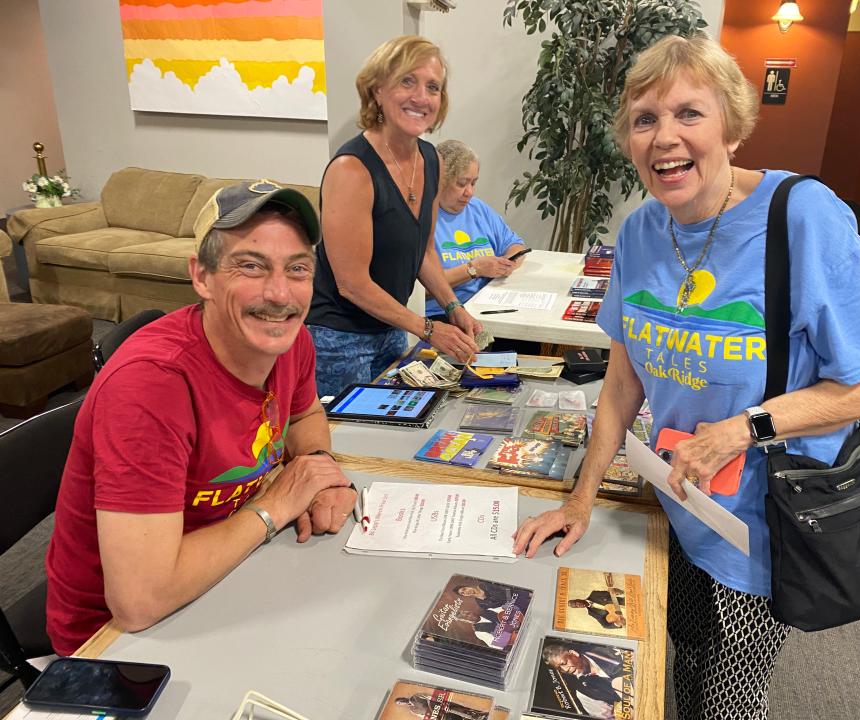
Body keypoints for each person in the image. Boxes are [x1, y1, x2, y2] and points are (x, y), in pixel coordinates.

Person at [513, 34, 860, 720]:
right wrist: (581, 497)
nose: (665, 137)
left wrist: (740, 430)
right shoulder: (638, 232)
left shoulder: (801, 217)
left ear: (731, 126)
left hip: (764, 525)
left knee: (730, 700)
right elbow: (622, 386)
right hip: (677, 503)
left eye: (689, 113)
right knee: (678, 667)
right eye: (644, 119)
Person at [45, 181, 358, 656]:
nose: (279, 294)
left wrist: (319, 468)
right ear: (202, 277)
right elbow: (139, 601)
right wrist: (277, 504)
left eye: (297, 269)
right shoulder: (150, 386)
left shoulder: (291, 342)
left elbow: (306, 411)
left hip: (230, 568)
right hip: (118, 642)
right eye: (250, 266)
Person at [307, 36, 482, 399]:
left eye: (432, 87)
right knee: (345, 448)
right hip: (338, 339)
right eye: (407, 81)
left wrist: (453, 306)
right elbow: (351, 283)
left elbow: (424, 252)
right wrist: (429, 329)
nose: (421, 96)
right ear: (377, 91)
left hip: (390, 327)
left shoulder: (432, 160)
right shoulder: (351, 169)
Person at [424, 139, 526, 320]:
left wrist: (508, 262)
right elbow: (417, 290)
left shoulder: (477, 209)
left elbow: (515, 244)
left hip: (487, 306)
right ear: (440, 181)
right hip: (443, 314)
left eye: (473, 183)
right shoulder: (423, 218)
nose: (469, 192)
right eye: (462, 184)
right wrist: (474, 269)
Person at [541, 641, 626, 716]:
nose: (565, 669)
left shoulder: (605, 647)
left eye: (564, 663)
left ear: (574, 654)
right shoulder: (583, 694)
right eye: (560, 669)